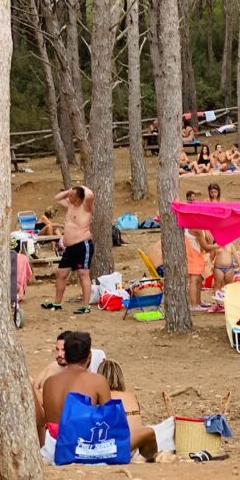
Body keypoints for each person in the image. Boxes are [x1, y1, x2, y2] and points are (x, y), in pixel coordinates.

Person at [43, 332, 157, 460]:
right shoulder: (97, 381)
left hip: (53, 446)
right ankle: (149, 461)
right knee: (148, 433)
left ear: (67, 355)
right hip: (81, 448)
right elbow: (109, 422)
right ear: (89, 357)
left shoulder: (49, 382)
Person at [42, 185, 95, 314]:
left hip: (83, 245)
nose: (68, 197)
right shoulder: (70, 205)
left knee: (83, 275)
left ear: (79, 198)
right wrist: (70, 190)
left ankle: (85, 306)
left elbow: (90, 194)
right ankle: (57, 303)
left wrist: (81, 187)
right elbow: (57, 198)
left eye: (71, 196)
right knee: (61, 274)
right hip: (69, 248)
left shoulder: (85, 207)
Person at [97, 359, 159, 458]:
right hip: (132, 447)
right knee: (148, 431)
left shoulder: (101, 396)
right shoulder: (131, 396)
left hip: (111, 446)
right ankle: (152, 457)